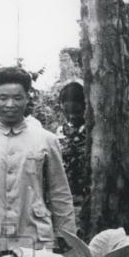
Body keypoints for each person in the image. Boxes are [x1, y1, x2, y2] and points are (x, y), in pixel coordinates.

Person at [0, 66, 76, 253]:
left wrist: (67, 236)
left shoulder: (45, 139)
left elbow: (59, 192)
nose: (10, 104)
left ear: (27, 99)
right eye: (3, 98)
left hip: (35, 238)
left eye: (17, 98)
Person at [55, 80, 90, 230]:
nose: (72, 116)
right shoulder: (59, 132)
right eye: (67, 112)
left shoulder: (91, 130)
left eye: (76, 112)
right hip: (66, 194)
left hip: (87, 193)